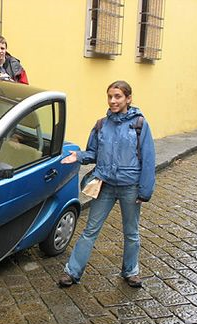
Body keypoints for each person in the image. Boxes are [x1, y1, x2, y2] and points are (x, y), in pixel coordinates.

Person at [58, 80, 156, 288]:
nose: (113, 101)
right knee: (90, 230)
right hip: (105, 185)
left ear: (128, 98)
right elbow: (93, 153)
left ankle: (131, 271)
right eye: (110, 96)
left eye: (118, 96)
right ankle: (72, 272)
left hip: (130, 187)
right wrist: (78, 156)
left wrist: (145, 190)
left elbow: (148, 159)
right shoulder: (101, 124)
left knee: (131, 232)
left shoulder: (139, 124)